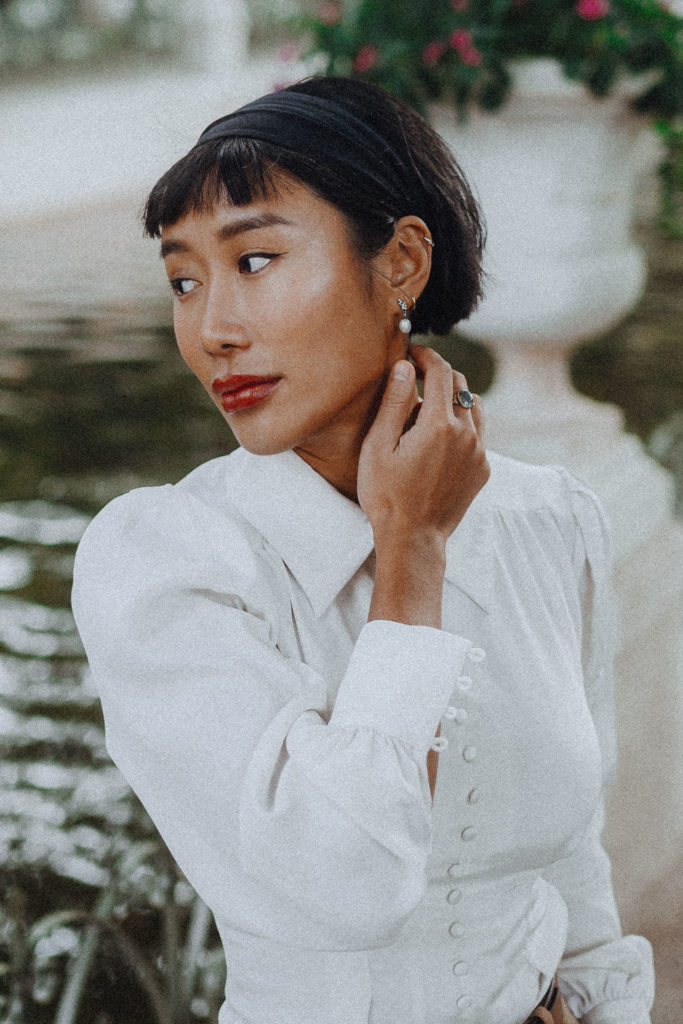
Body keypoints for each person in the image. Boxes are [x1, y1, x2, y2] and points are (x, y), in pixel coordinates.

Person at [71, 76, 654, 1024]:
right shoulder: (167, 561)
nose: (212, 330)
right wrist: (410, 550)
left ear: (402, 263)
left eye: (255, 260)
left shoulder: (550, 520)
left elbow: (575, 870)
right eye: (184, 280)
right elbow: (342, 885)